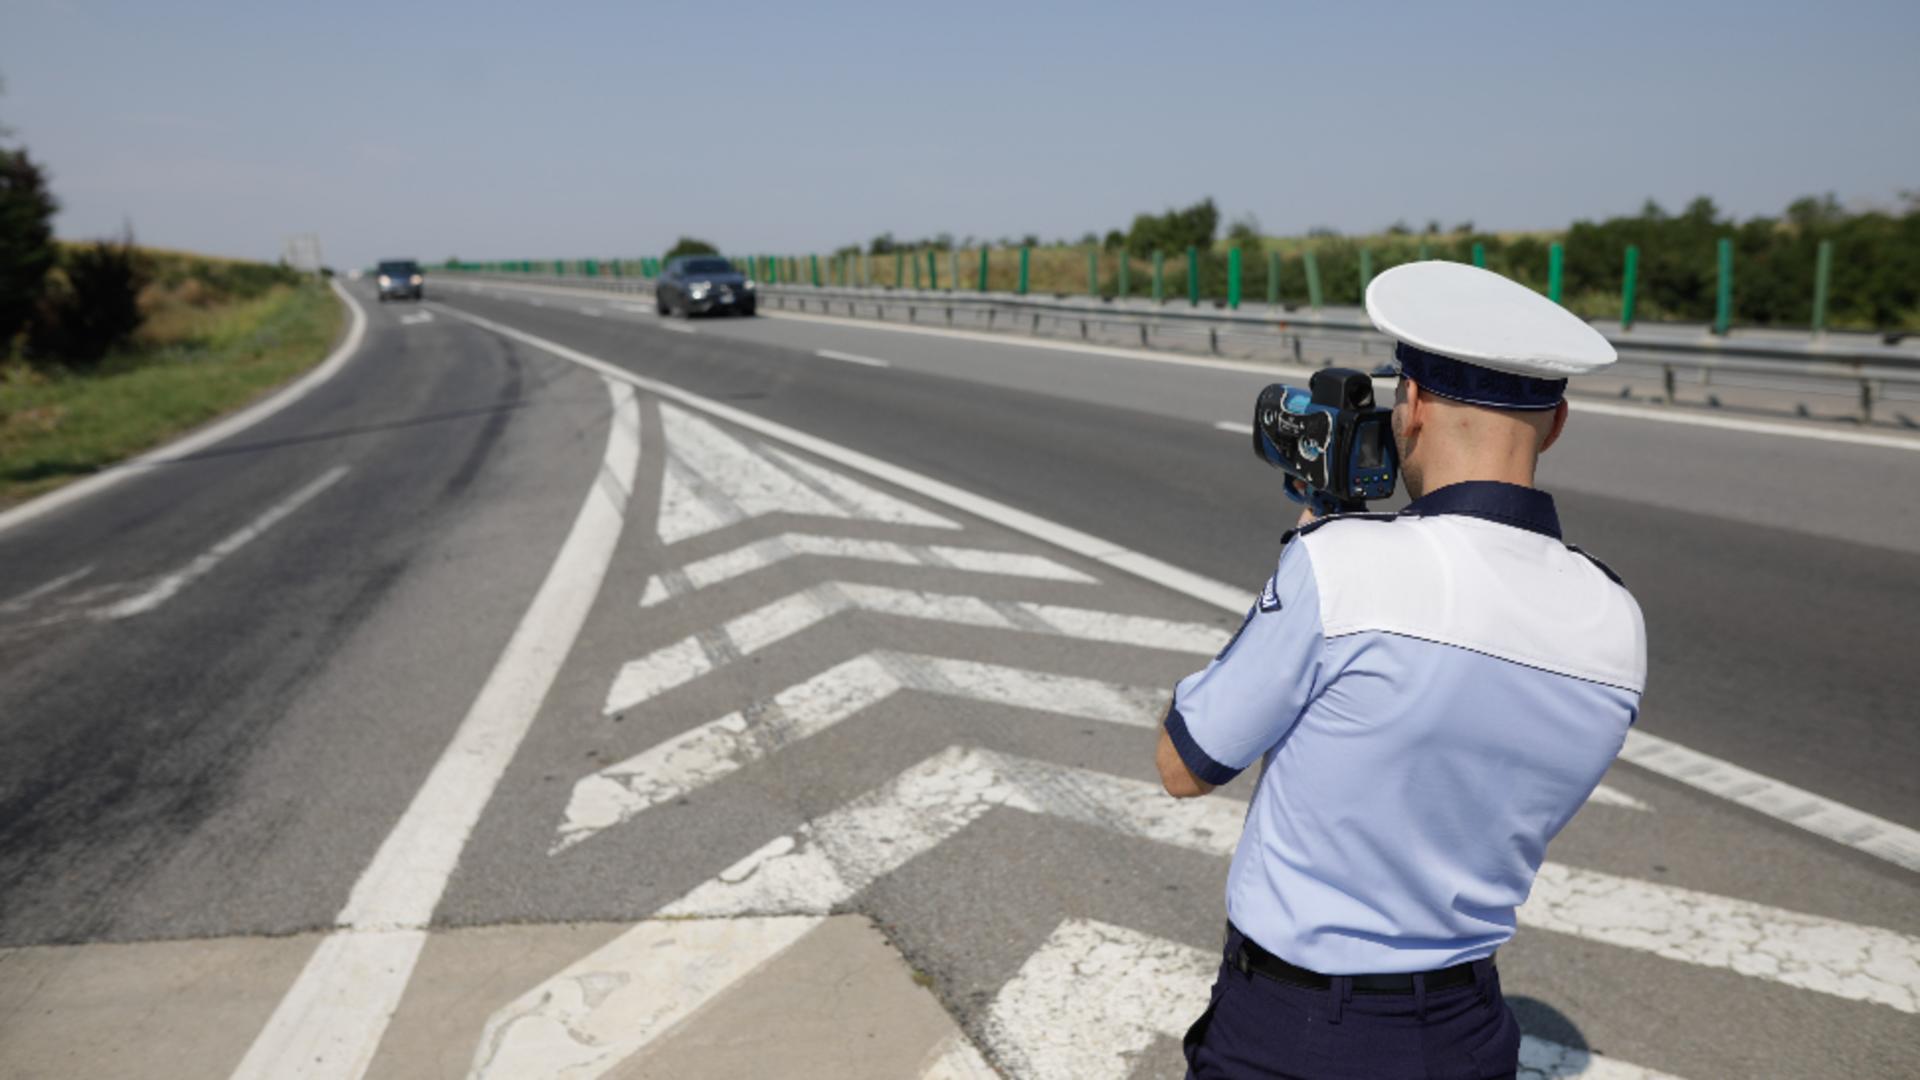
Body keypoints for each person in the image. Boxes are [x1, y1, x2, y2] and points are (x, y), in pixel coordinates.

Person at [1156, 261, 1647, 1080]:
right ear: (1555, 423)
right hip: (1468, 1036)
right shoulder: (1615, 622)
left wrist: (1313, 544)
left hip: (1295, 1029)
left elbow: (1185, 765)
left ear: (1410, 404)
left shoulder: (1343, 569)